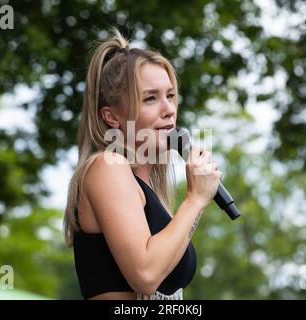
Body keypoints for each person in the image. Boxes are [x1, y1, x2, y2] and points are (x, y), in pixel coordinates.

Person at [63, 28, 221, 300]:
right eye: (150, 98)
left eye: (170, 96)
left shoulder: (145, 186)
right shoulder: (107, 166)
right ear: (112, 117)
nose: (169, 109)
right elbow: (145, 275)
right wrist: (195, 199)